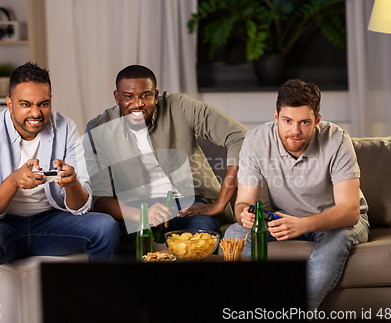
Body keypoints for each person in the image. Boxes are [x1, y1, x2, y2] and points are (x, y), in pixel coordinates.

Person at [0, 62, 120, 322]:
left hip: (51, 222)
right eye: (26, 104)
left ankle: (97, 313)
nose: (36, 113)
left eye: (43, 104)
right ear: (9, 103)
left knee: (106, 228)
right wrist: (14, 181)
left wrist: (71, 184)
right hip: (2, 226)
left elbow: (81, 207)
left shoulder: (66, 128)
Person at [224, 79, 369, 311]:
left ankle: (290, 312)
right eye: (287, 121)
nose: (295, 131)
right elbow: (243, 203)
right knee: (234, 232)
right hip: (285, 218)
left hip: (337, 222)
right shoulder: (255, 140)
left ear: (317, 121)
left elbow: (350, 211)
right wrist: (244, 215)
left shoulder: (337, 140)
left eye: (304, 122)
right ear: (276, 116)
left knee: (339, 238)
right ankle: (252, 308)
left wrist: (303, 225)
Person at [84, 65, 247, 252]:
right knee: (116, 238)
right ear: (117, 96)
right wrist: (143, 215)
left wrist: (220, 203)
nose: (137, 104)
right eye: (128, 96)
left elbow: (239, 137)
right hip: (133, 207)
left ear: (156, 94)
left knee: (202, 233)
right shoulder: (99, 129)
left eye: (145, 95)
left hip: (187, 202)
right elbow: (99, 198)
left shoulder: (180, 107)